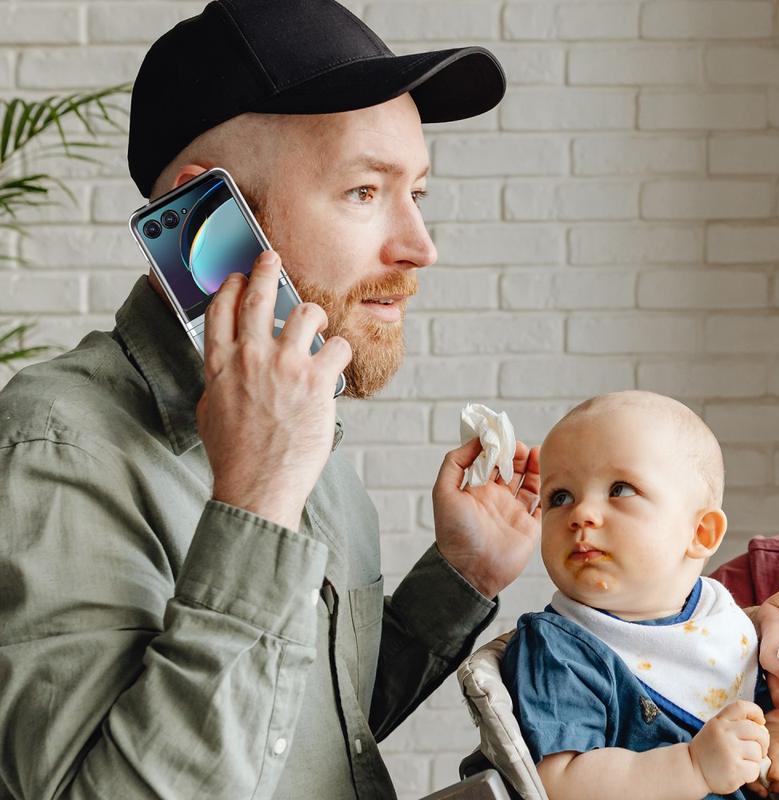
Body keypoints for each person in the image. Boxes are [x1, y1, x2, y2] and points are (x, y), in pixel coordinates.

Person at [0, 1, 542, 798]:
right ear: (208, 219)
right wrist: (255, 502)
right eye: (364, 191)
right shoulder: (57, 448)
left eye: (417, 193)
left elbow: (300, 732)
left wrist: (462, 577)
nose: (419, 247)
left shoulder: (305, 436)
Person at [501, 390, 779, 800]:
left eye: (620, 490)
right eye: (560, 497)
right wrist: (692, 766)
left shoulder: (718, 619)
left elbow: (758, 701)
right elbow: (558, 783)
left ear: (700, 533)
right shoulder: (559, 648)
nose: (580, 514)